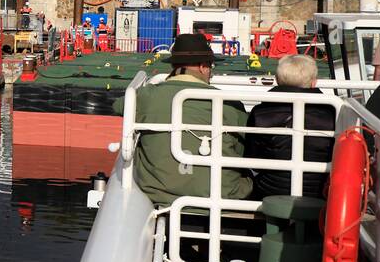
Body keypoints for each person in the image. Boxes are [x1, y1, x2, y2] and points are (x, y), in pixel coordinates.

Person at [116, 32, 252, 206]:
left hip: (159, 193)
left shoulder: (147, 95)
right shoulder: (231, 104)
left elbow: (119, 106)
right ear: (203, 67)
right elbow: (241, 149)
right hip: (220, 195)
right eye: (211, 66)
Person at [245, 54, 334, 199]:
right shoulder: (333, 113)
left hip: (270, 190)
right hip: (319, 192)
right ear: (313, 83)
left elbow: (253, 160)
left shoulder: (260, 113)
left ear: (277, 80)